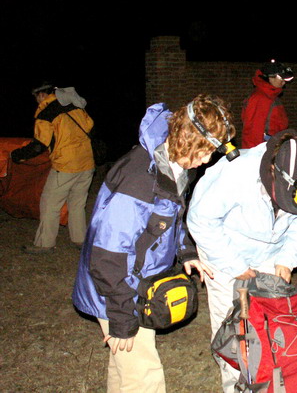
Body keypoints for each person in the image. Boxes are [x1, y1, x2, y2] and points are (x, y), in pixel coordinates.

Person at [71, 94, 235, 393]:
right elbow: (107, 256)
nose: (206, 160)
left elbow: (172, 216)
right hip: (118, 289)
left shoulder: (171, 163)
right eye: (203, 151)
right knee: (144, 376)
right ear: (186, 139)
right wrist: (122, 316)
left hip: (138, 281)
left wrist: (186, 251)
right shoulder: (138, 180)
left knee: (125, 367)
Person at [186, 128, 297, 392]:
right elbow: (200, 220)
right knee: (234, 326)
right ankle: (236, 386)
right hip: (224, 247)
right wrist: (233, 263)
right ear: (273, 170)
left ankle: (270, 381)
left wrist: (287, 258)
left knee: (268, 322)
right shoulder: (237, 173)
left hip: (271, 253)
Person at [11, 81, 95, 254]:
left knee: (50, 204)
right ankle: (80, 239)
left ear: (42, 95)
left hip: (65, 165)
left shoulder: (45, 113)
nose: (36, 101)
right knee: (77, 203)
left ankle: (44, 244)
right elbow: (89, 125)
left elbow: (39, 145)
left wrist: (17, 155)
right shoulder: (74, 104)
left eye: (36, 97)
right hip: (87, 161)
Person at [240, 59, 294, 149]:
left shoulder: (271, 96)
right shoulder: (260, 98)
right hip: (263, 148)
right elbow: (253, 131)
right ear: (270, 77)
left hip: (273, 144)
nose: (284, 82)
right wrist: (256, 153)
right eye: (281, 79)